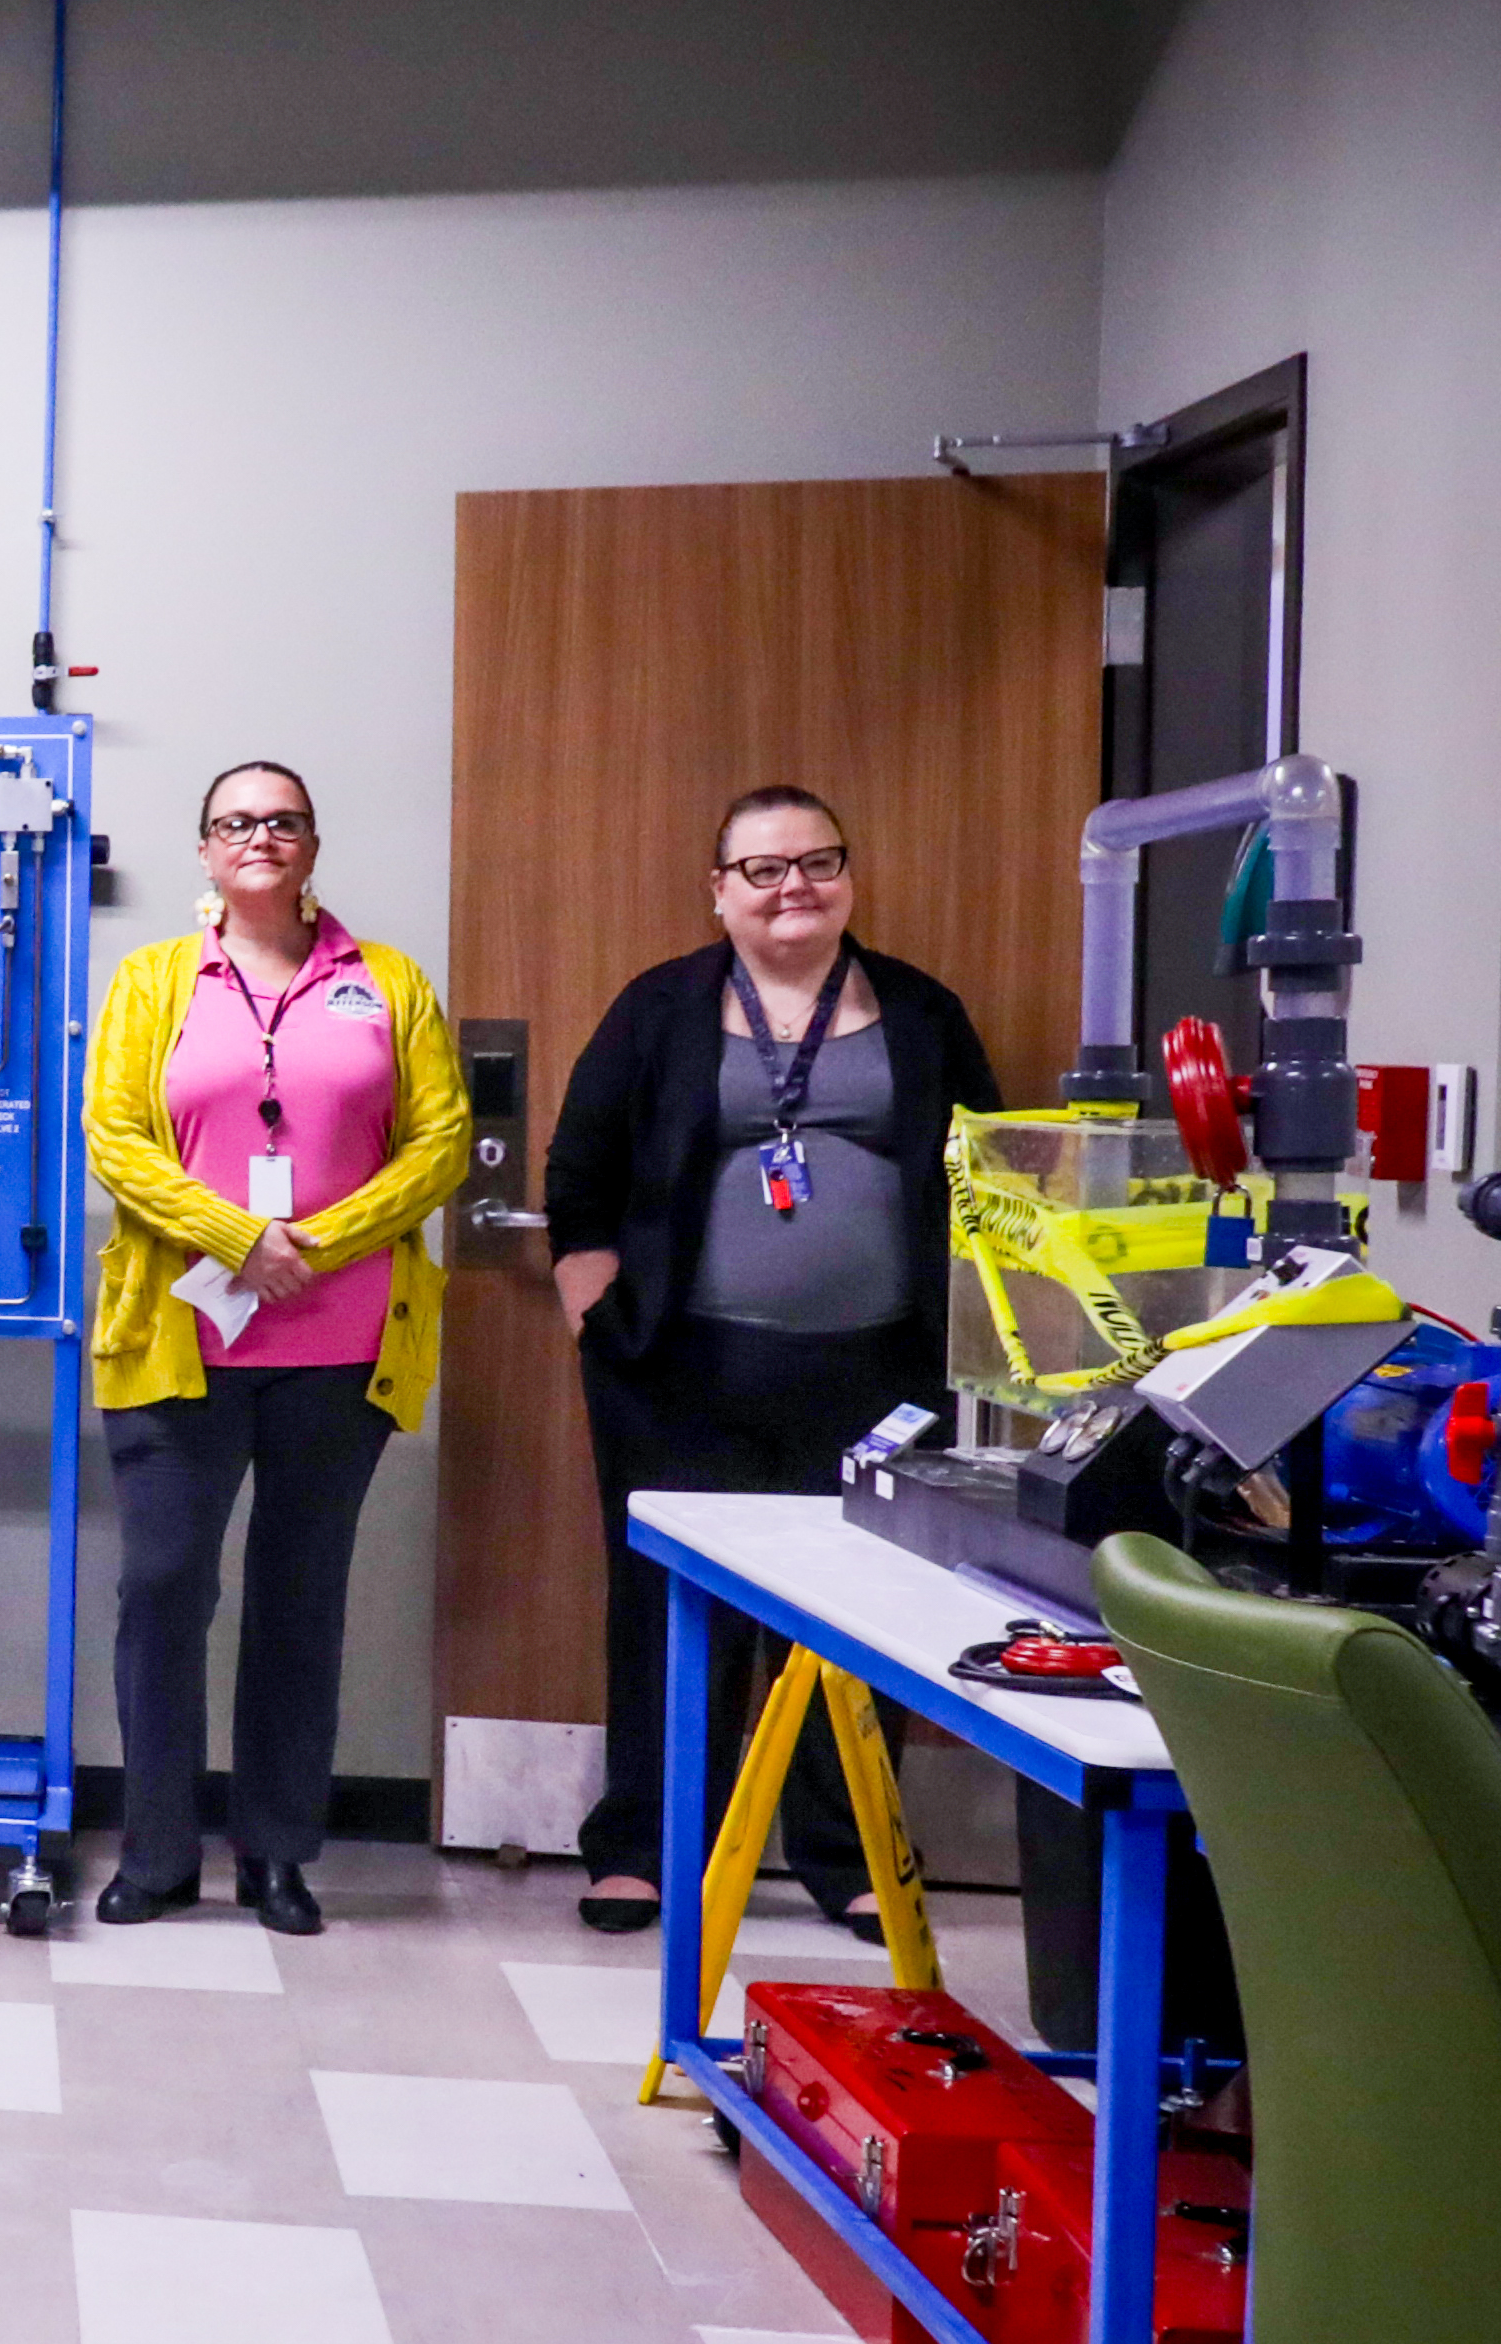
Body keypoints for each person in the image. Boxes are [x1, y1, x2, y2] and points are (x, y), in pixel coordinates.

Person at [540, 781, 1003, 1937]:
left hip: (877, 1379)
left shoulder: (920, 1011)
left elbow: (991, 1179)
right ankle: (647, 1844)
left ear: (847, 876)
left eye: (817, 862)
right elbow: (579, 1169)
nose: (794, 886)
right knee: (666, 1607)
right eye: (764, 868)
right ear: (719, 891)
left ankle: (845, 1853)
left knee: (853, 1617)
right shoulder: (662, 1008)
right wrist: (594, 1314)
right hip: (678, 1374)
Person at [82, 764, 473, 1936]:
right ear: (205, 851)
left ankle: (277, 1854)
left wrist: (317, 1241)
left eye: (283, 820)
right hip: (178, 1344)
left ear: (312, 846)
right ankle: (154, 1852)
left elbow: (442, 1142)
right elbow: (116, 1132)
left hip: (341, 1349)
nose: (260, 836)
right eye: (236, 822)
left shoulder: (388, 982)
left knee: (301, 1601)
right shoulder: (153, 981)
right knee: (162, 1596)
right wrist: (236, 1236)